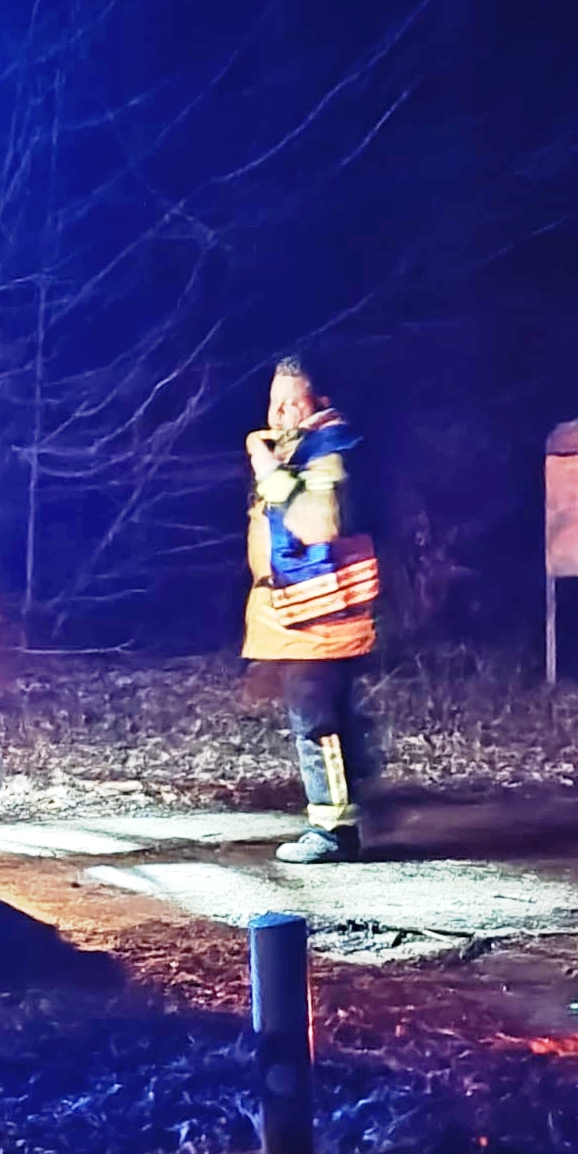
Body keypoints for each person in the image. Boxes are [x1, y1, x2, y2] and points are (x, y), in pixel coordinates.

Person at [243, 352, 377, 862]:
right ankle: (354, 804)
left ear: (317, 403)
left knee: (317, 726)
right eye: (273, 404)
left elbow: (318, 524)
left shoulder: (328, 450)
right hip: (301, 616)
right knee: (326, 721)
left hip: (320, 618)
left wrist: (267, 468)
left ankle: (334, 829)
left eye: (290, 403)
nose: (278, 415)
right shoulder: (303, 449)